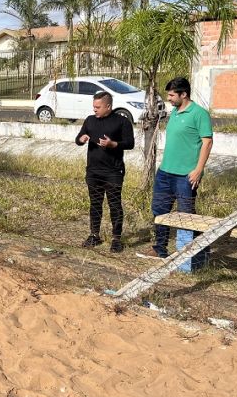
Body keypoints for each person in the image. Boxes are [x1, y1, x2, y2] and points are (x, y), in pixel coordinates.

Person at [145, 77, 213, 260]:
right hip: (165, 172)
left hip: (186, 175)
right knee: (160, 211)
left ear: (184, 94)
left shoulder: (199, 114)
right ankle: (160, 248)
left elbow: (207, 143)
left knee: (186, 215)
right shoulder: (174, 112)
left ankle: (194, 253)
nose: (169, 98)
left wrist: (198, 170)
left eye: (172, 95)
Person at [75, 91, 135, 253]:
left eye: (98, 107)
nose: (94, 109)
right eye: (93, 106)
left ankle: (116, 238)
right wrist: (81, 139)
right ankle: (94, 235)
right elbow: (79, 138)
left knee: (114, 204)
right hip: (93, 171)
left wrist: (113, 144)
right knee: (95, 204)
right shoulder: (90, 120)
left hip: (113, 171)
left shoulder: (122, 121)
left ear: (108, 106)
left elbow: (130, 143)